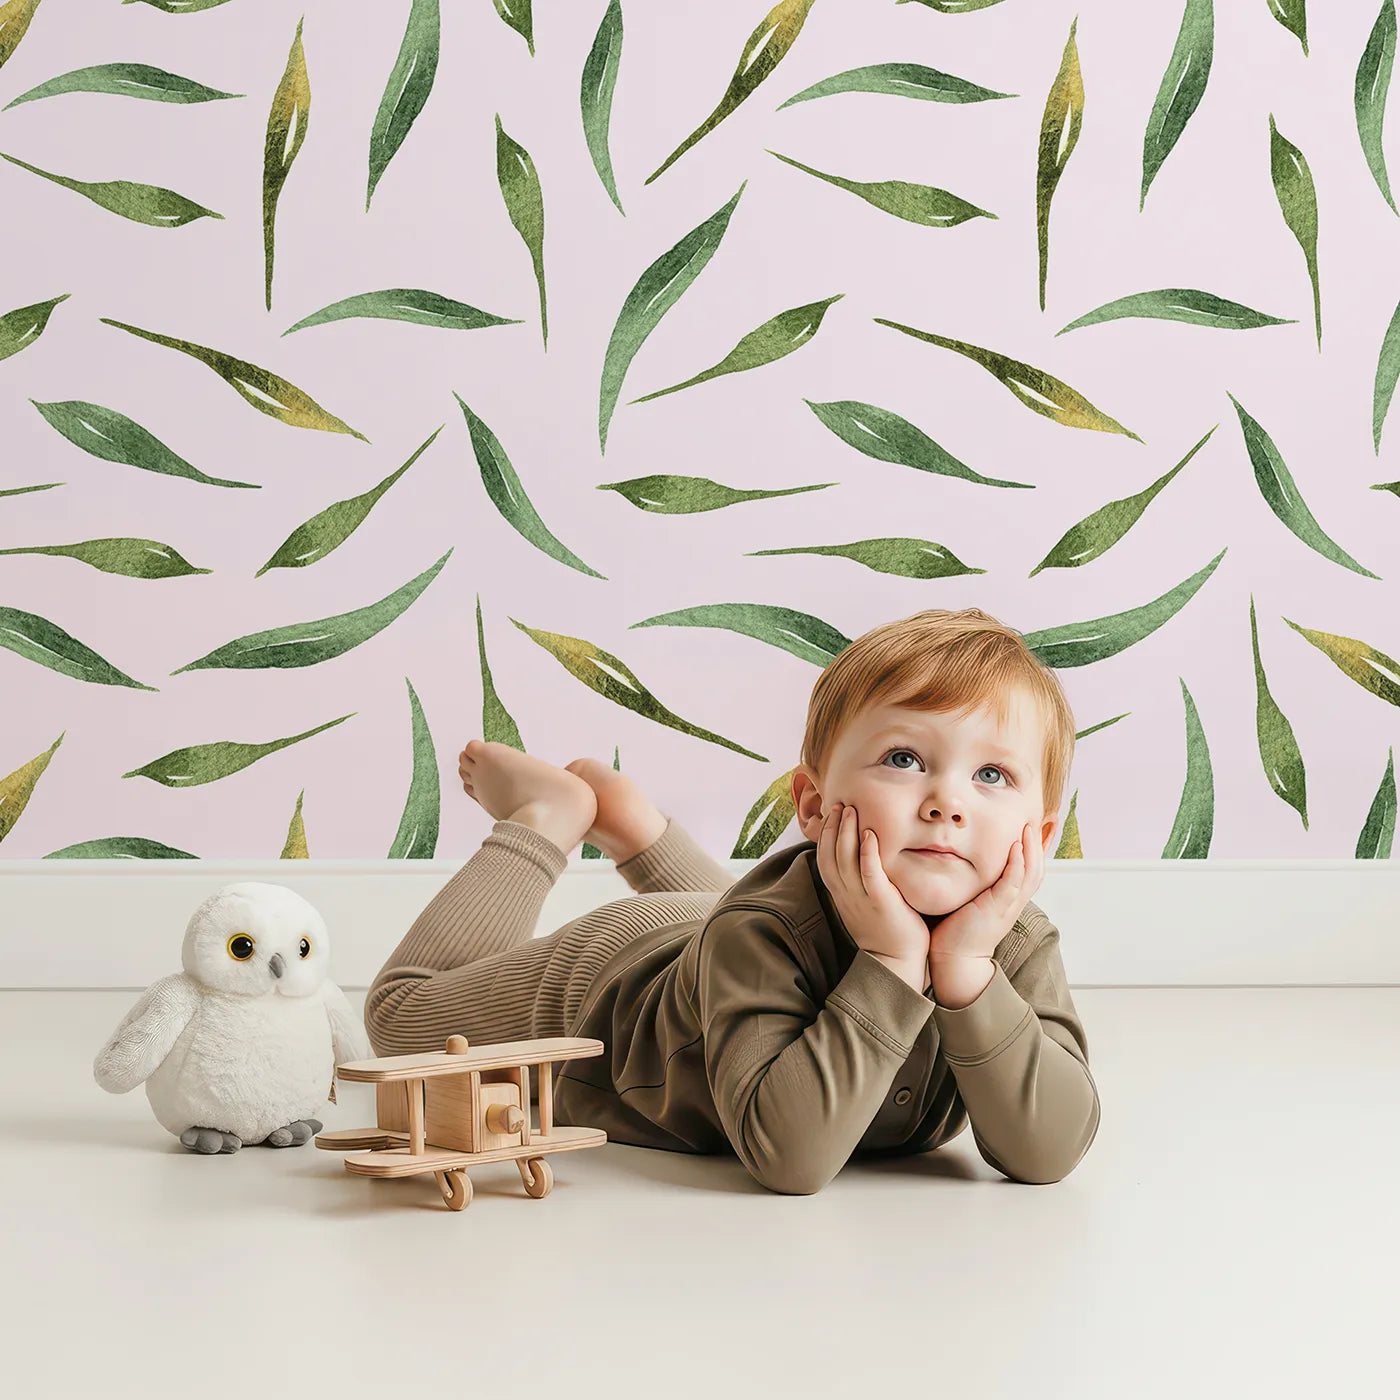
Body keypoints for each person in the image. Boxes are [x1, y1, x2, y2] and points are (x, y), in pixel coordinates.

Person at [364, 607, 1101, 1194]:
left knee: (756, 921)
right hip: (612, 977)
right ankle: (548, 817)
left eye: (993, 776)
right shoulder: (759, 933)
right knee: (398, 1020)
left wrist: (967, 970)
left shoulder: (1017, 940)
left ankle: (636, 828)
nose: (946, 802)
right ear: (812, 806)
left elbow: (1050, 1154)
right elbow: (789, 1159)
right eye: (904, 760)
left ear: (1037, 834)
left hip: (722, 932)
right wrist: (890, 960)